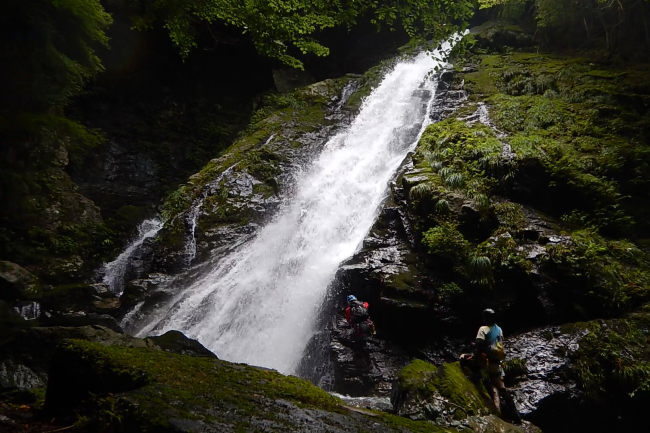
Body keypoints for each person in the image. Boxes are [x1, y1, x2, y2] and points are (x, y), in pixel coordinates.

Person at [474, 308, 507, 413]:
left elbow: (479, 346)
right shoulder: (499, 329)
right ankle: (514, 415)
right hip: (498, 363)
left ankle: (497, 412)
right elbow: (501, 344)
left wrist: (475, 358)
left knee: (492, 389)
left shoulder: (483, 329)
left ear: (485, 318)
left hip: (487, 363)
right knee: (501, 388)